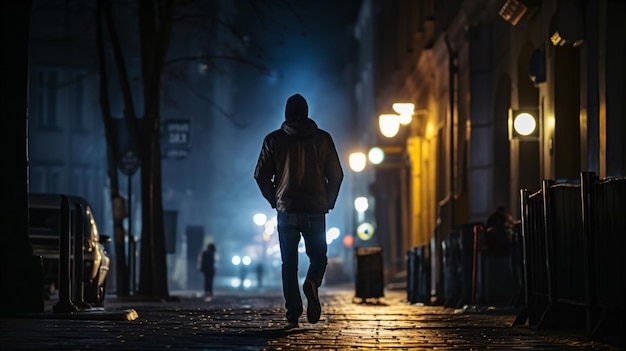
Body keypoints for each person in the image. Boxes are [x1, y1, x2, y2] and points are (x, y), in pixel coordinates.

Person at [254, 93, 343, 329]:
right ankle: (312, 281)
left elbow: (260, 175)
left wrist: (275, 200)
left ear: (286, 114)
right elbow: (336, 175)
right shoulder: (323, 139)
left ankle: (293, 312)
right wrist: (328, 201)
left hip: (287, 211)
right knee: (319, 257)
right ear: (306, 112)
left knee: (288, 263)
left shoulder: (273, 140)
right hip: (315, 209)